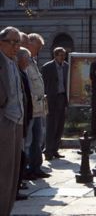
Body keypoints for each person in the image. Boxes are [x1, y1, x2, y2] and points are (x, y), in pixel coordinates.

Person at [0, 26, 25, 215]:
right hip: (5, 121)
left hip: (17, 121)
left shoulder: (13, 61)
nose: (17, 46)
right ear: (1, 42)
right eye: (13, 42)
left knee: (13, 173)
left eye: (19, 42)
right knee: (3, 173)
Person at [23, 33, 49, 179]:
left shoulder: (32, 61)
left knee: (38, 138)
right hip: (31, 107)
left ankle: (36, 167)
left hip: (38, 108)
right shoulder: (24, 61)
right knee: (29, 140)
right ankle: (26, 169)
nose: (38, 50)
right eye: (37, 46)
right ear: (30, 43)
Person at [41, 47, 68, 160]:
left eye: (64, 55)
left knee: (60, 125)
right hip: (52, 98)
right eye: (61, 55)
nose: (63, 57)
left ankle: (55, 149)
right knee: (51, 125)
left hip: (62, 97)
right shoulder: (47, 67)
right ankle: (48, 151)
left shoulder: (67, 66)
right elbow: (43, 84)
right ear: (55, 55)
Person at [16, 47, 33, 201]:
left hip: (24, 119)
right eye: (27, 58)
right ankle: (15, 186)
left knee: (22, 154)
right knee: (19, 155)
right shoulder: (17, 72)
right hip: (17, 120)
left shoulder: (22, 72)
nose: (28, 61)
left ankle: (18, 184)